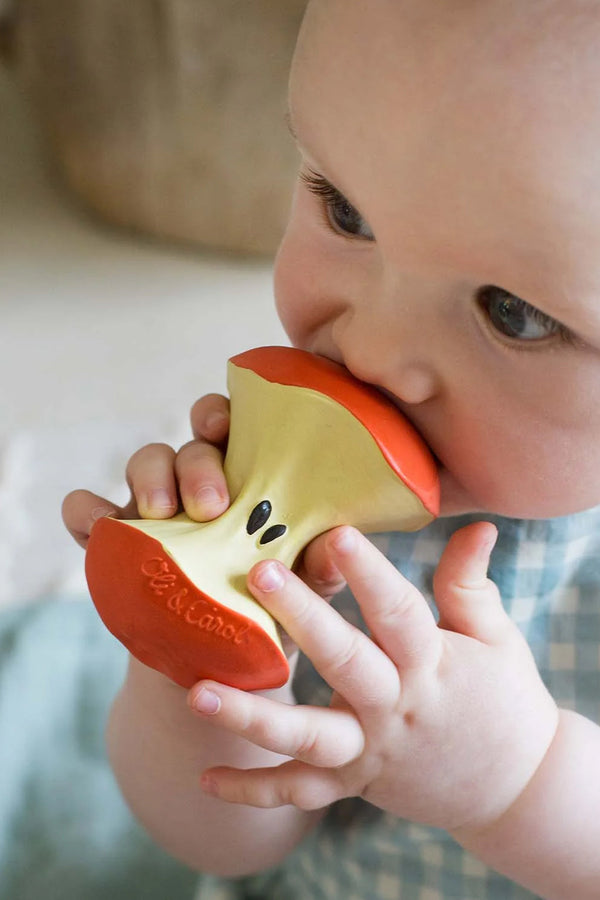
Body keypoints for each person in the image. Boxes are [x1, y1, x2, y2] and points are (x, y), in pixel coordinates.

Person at [62, 1, 600, 897]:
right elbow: (227, 841)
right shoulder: (296, 506)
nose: (375, 354)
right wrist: (198, 663)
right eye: (346, 211)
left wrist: (520, 780)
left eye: (518, 313)